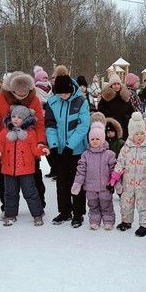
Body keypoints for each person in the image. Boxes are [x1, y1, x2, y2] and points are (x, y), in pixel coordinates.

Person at [0, 71, 48, 214]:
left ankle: (39, 207)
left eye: (25, 89)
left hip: (29, 145)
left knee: (34, 178)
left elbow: (39, 124)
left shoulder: (34, 99)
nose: (21, 92)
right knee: (7, 181)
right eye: (18, 89)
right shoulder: (1, 98)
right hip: (6, 145)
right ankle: (6, 208)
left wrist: (40, 142)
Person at [45, 69, 89, 227]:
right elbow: (50, 126)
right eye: (59, 93)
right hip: (60, 150)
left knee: (77, 182)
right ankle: (64, 211)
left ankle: (78, 214)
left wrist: (71, 146)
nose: (62, 96)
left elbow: (83, 126)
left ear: (71, 90)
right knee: (62, 182)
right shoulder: (52, 102)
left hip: (76, 150)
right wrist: (55, 146)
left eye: (65, 94)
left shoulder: (81, 102)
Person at [0, 105, 48, 227]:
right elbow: (0, 144)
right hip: (8, 169)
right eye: (13, 116)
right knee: (10, 193)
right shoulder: (5, 132)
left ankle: (37, 214)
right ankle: (10, 215)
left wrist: (42, 149)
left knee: (30, 192)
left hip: (26, 169)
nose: (15, 119)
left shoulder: (30, 133)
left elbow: (34, 149)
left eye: (19, 117)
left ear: (26, 119)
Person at [109, 112, 146, 237]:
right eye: (137, 134)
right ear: (131, 134)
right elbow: (120, 163)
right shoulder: (126, 148)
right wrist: (114, 178)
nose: (140, 136)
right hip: (128, 182)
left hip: (143, 183)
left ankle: (145, 225)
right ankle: (126, 221)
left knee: (144, 204)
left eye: (142, 133)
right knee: (126, 203)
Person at [71, 122, 117, 230]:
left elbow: (114, 171)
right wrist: (78, 183)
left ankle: (108, 220)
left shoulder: (109, 155)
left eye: (97, 139)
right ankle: (94, 220)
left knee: (106, 205)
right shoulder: (85, 155)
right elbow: (81, 171)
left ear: (102, 139)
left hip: (105, 187)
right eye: (92, 139)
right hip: (90, 187)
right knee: (93, 205)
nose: (95, 141)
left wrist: (116, 183)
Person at [34, 66, 55, 179]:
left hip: (51, 119)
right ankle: (52, 166)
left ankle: (54, 167)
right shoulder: (35, 90)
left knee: (52, 144)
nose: (46, 80)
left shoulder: (51, 89)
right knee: (45, 144)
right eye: (43, 78)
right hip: (41, 119)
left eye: (46, 77)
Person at [97, 74, 133, 140]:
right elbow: (101, 112)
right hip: (111, 127)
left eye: (118, 84)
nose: (116, 86)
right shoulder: (106, 98)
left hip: (124, 126)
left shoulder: (125, 97)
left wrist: (128, 118)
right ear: (111, 86)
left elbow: (131, 110)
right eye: (114, 84)